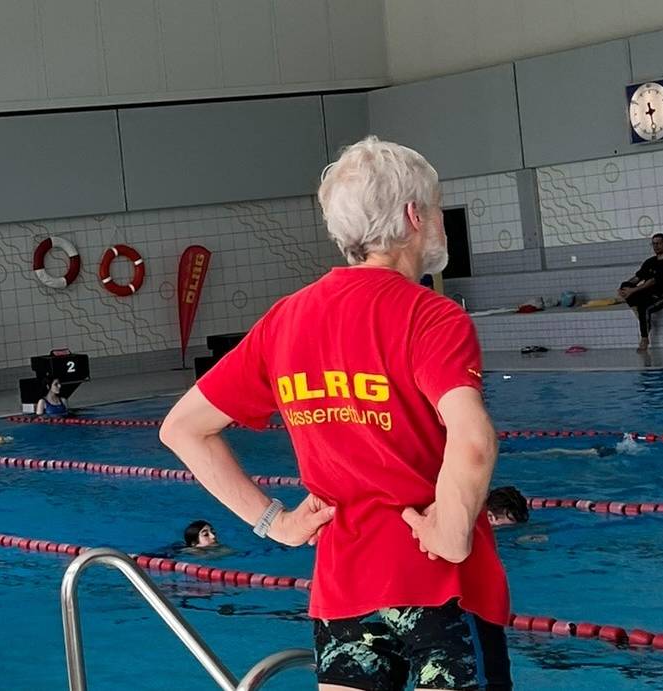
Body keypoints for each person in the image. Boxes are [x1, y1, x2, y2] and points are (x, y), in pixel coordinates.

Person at [159, 137, 511, 691]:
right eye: (439, 207)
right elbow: (473, 440)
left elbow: (182, 429)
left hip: (345, 593)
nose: (441, 220)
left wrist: (274, 522)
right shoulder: (432, 317)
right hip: (442, 590)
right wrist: (451, 531)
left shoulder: (287, 320)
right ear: (414, 216)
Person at [619, 232, 663, 351]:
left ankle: (644, 338)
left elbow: (652, 281)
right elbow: (637, 278)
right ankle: (643, 320)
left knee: (644, 307)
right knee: (626, 286)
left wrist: (633, 290)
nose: (656, 246)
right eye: (653, 244)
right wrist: (624, 287)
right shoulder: (649, 262)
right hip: (650, 293)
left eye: (658, 243)